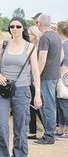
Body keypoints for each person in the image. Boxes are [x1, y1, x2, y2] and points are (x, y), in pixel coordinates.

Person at [0, 17, 41, 157]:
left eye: (18, 26)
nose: (15, 29)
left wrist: (37, 93)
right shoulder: (3, 44)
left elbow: (35, 71)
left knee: (20, 126)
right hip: (3, 89)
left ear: (23, 28)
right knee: (1, 124)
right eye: (12, 26)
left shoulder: (30, 47)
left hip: (22, 90)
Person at [35, 14, 62, 145]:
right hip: (54, 75)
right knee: (50, 104)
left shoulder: (45, 38)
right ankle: (49, 133)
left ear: (39, 23)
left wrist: (36, 76)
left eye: (36, 22)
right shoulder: (56, 35)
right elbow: (61, 56)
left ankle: (49, 135)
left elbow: (42, 59)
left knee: (47, 105)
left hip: (46, 76)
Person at [27, 25, 44, 139]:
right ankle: (32, 130)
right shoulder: (30, 47)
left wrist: (35, 78)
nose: (28, 35)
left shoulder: (36, 49)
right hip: (31, 79)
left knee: (36, 106)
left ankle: (47, 129)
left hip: (35, 80)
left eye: (30, 34)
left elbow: (37, 66)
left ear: (35, 36)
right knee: (32, 106)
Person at [56, 21, 68, 139]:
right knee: (61, 104)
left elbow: (63, 62)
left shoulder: (64, 44)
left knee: (64, 104)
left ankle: (65, 129)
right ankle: (61, 128)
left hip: (64, 76)